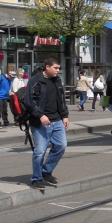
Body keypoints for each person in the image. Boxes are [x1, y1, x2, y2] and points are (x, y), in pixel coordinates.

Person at [24, 57, 69, 190]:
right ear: (47, 67)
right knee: (40, 151)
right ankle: (36, 179)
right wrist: (40, 115)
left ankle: (46, 171)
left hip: (56, 120)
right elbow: (29, 102)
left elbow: (61, 99)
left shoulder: (57, 80)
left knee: (61, 145)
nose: (58, 70)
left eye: (59, 68)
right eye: (55, 68)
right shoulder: (35, 80)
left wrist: (65, 115)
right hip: (41, 122)